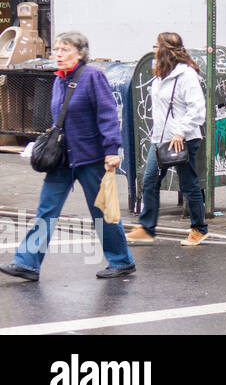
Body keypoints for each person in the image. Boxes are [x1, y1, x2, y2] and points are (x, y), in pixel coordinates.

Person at [1, 32, 136, 281]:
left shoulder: (93, 76)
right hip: (62, 159)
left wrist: (111, 150)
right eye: (57, 50)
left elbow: (107, 114)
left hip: (90, 158)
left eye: (65, 50)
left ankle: (121, 261)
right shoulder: (58, 79)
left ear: (80, 53)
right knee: (46, 210)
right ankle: (27, 263)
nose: (58, 55)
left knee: (102, 212)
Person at [126, 33, 209, 247]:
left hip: (183, 138)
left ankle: (199, 229)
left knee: (188, 184)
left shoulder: (186, 76)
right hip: (161, 139)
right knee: (150, 180)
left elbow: (198, 109)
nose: (154, 51)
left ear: (165, 50)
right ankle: (147, 227)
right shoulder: (161, 75)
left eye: (157, 47)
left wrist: (180, 132)